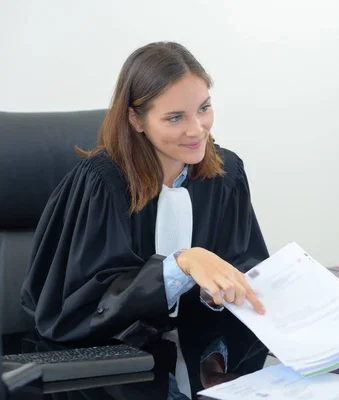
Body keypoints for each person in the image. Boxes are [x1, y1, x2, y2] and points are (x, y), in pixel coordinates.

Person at [20, 42, 269, 396]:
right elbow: (75, 305)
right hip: (111, 376)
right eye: (174, 117)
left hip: (199, 363)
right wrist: (183, 263)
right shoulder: (101, 183)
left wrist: (217, 294)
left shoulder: (225, 175)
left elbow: (246, 260)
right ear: (136, 120)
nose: (197, 130)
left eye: (204, 108)